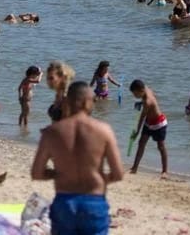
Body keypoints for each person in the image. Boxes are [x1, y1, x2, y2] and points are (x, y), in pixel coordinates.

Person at [30, 81, 123, 235]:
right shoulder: (104, 131)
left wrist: (59, 173)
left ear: (67, 102)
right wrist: (98, 178)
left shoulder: (52, 132)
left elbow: (36, 173)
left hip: (65, 202)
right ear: (86, 102)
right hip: (93, 201)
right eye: (93, 100)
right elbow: (118, 174)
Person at [129, 79, 168, 177]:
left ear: (141, 90)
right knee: (141, 143)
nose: (134, 96)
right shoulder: (146, 89)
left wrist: (137, 132)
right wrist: (140, 103)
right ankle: (134, 168)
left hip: (159, 123)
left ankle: (165, 171)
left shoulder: (147, 101)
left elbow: (142, 117)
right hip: (149, 122)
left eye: (135, 94)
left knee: (161, 147)